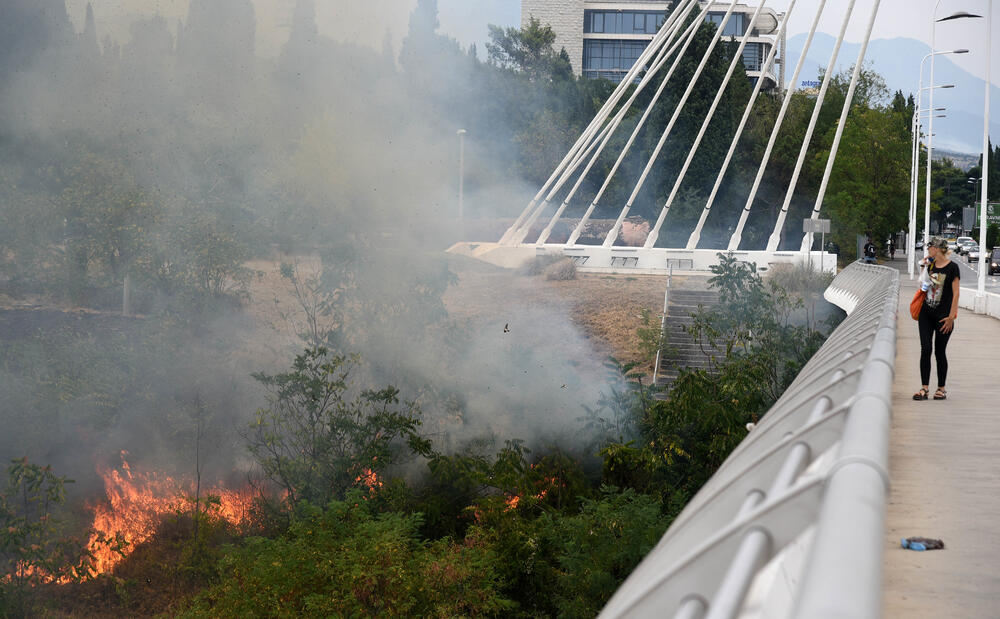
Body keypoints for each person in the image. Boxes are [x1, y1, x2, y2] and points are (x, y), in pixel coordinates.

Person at [913, 236, 960, 401]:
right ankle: (924, 388)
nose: (928, 250)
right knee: (925, 349)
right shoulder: (930, 265)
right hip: (926, 313)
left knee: (940, 352)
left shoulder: (953, 268)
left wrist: (951, 317)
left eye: (930, 247)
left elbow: (956, 294)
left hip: (944, 316)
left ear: (938, 249)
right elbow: (923, 286)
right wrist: (924, 267)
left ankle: (941, 388)